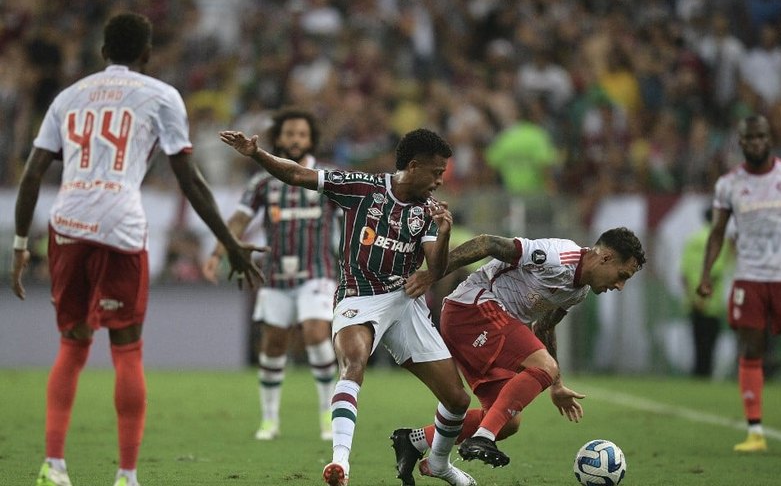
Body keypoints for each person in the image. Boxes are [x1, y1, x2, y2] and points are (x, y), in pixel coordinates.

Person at [10, 13, 263, 486]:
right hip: (120, 225)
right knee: (127, 350)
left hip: (66, 224)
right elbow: (189, 179)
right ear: (147, 55)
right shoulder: (162, 96)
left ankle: (53, 465)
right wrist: (229, 243)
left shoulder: (69, 97)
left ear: (103, 52)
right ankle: (126, 475)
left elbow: (31, 175)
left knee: (72, 344)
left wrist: (22, 244)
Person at [219, 128, 476, 486]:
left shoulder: (425, 212)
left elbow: (435, 266)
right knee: (354, 363)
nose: (439, 180)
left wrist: (444, 233)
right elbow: (297, 174)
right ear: (413, 166)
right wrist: (256, 154)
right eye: (435, 172)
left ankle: (439, 464)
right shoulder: (363, 188)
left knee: (457, 399)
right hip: (359, 295)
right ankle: (340, 461)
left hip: (404, 302)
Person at [391, 228, 646, 483]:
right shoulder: (555, 256)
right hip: (471, 308)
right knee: (542, 368)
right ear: (606, 258)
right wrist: (432, 275)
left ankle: (415, 440)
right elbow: (487, 242)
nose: (620, 286)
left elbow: (544, 327)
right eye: (622, 276)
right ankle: (482, 438)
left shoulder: (578, 292)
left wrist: (556, 385)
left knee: (507, 421)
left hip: (479, 324)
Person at [202, 108, 339, 442]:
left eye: (302, 135)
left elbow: (354, 215)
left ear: (311, 140)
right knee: (274, 343)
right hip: (275, 275)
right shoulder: (263, 182)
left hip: (318, 272)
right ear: (278, 138)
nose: (295, 140)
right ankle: (269, 419)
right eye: (289, 134)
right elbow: (238, 220)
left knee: (316, 333)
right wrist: (218, 252)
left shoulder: (327, 177)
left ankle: (328, 413)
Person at [697, 114, 781, 452]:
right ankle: (755, 431)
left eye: (761, 137)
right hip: (750, 277)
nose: (756, 143)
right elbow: (717, 233)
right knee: (750, 349)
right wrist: (706, 275)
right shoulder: (729, 184)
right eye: (749, 138)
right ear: (741, 142)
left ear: (770, 139)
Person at [680, 207, 733, 377]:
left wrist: (693, 298)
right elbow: (715, 272)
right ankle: (706, 375)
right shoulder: (719, 240)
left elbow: (684, 274)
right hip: (712, 302)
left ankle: (697, 374)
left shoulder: (692, 239)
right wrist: (705, 298)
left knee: (697, 343)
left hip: (693, 303)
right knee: (710, 343)